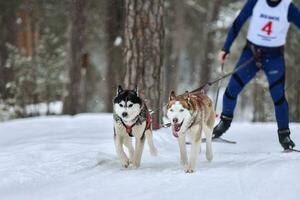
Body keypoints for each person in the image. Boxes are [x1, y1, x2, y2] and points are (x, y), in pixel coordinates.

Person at [213, 0, 300, 150]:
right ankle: (224, 123)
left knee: (278, 96)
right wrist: (225, 48)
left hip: (274, 57)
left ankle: (284, 136)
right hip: (251, 53)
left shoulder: (288, 7)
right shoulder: (256, 2)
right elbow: (238, 23)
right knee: (231, 90)